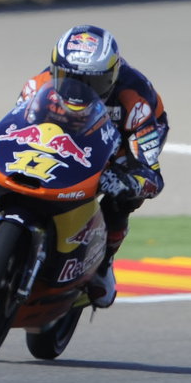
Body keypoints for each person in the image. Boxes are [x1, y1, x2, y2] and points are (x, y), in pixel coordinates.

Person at [16, 24, 169, 308]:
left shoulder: (137, 98)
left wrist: (128, 182)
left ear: (112, 75)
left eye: (92, 83)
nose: (79, 91)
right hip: (69, 134)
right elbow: (16, 126)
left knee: (122, 198)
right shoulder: (39, 84)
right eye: (70, 79)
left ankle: (103, 265)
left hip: (121, 144)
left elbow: (151, 176)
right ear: (56, 70)